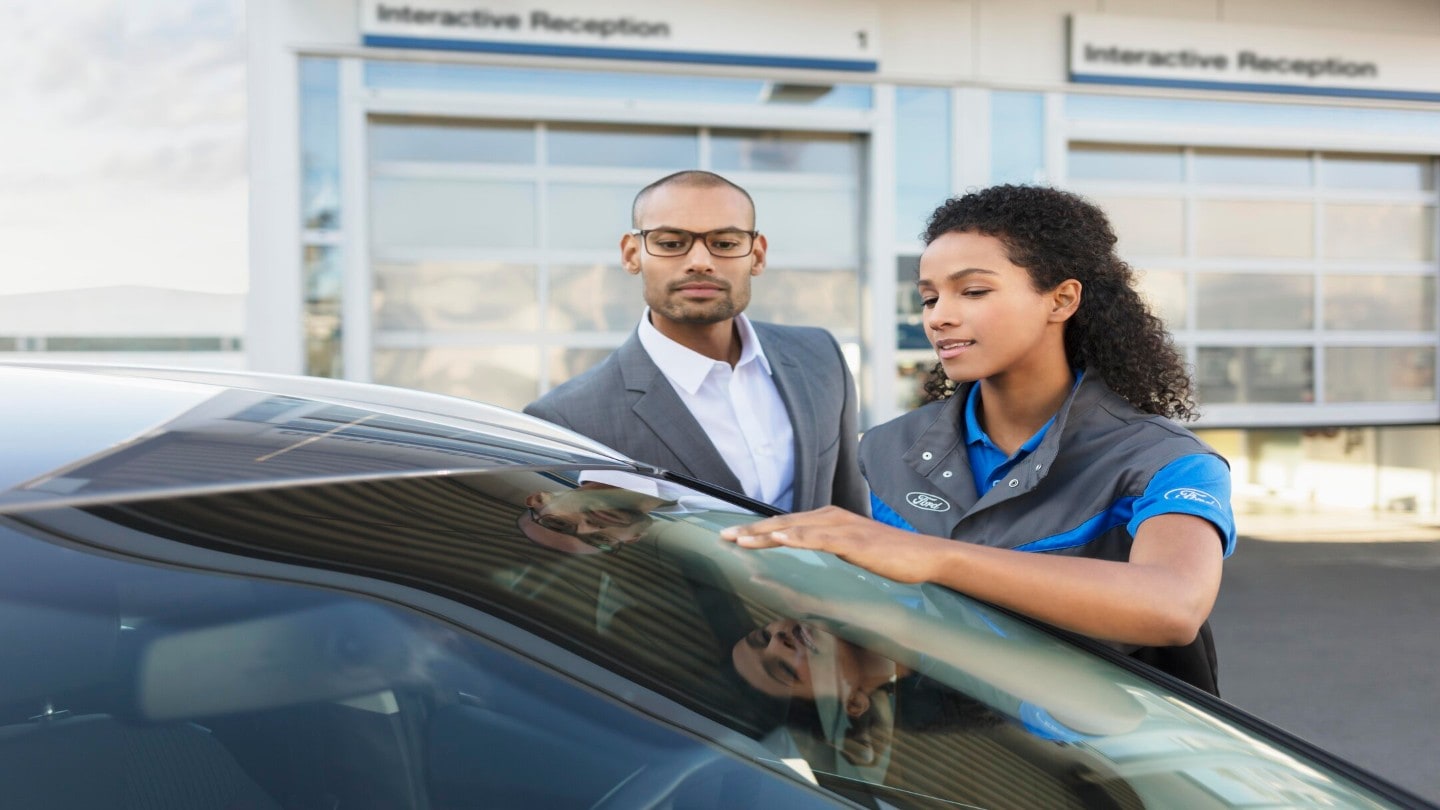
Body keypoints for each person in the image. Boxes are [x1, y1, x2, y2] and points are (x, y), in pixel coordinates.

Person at [721, 185, 1236, 694]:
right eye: (928, 296)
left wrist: (934, 556)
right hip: (931, 756)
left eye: (973, 291)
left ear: (1061, 299)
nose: (939, 315)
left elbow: (1172, 607)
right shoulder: (882, 450)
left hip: (1089, 763)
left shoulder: (1165, 460)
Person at [524, 170, 868, 515]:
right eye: (671, 243)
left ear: (757, 255)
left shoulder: (819, 355)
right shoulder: (568, 419)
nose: (700, 262)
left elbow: (851, 516)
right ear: (631, 254)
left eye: (725, 243)